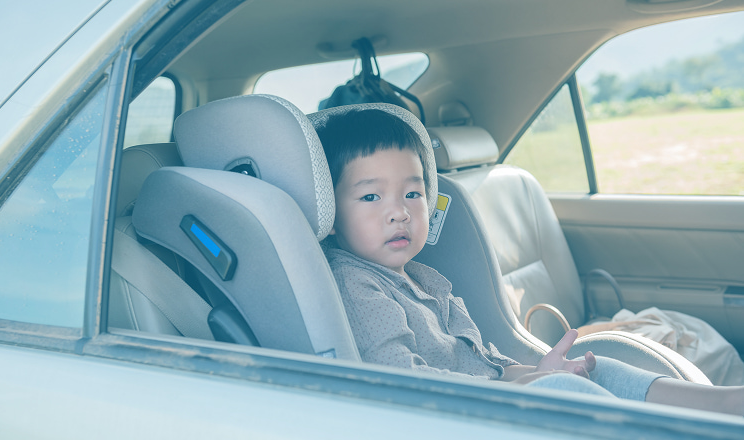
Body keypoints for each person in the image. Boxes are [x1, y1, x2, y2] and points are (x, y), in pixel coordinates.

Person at [315, 107, 744, 416]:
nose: (399, 211)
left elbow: (480, 360)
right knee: (562, 389)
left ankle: (723, 405)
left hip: (485, 398)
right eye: (371, 196)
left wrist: (531, 372)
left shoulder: (424, 279)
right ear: (331, 213)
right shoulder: (356, 285)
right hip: (451, 417)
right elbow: (405, 383)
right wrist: (532, 383)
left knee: (594, 370)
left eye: (412, 193)